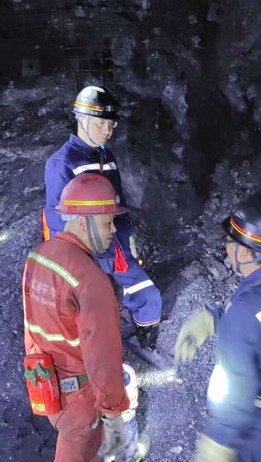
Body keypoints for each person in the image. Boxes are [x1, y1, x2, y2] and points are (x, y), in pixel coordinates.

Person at [175, 194, 261, 462]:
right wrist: (214, 318)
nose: (226, 247)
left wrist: (218, 441)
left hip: (256, 431)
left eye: (229, 241)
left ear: (244, 252)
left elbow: (237, 387)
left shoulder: (246, 309)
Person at [43, 85, 162, 349]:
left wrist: (127, 240)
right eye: (100, 123)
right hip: (87, 252)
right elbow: (56, 217)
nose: (107, 131)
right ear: (81, 119)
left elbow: (119, 202)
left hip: (115, 245)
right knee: (94, 311)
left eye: (111, 124)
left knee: (148, 296)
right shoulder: (62, 163)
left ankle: (147, 342)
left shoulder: (107, 157)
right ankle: (98, 353)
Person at [23, 173, 130, 462]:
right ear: (84, 222)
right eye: (107, 222)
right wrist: (113, 413)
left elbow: (30, 326)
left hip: (48, 386)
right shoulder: (89, 279)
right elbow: (102, 355)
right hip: (82, 402)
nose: (113, 230)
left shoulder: (38, 256)